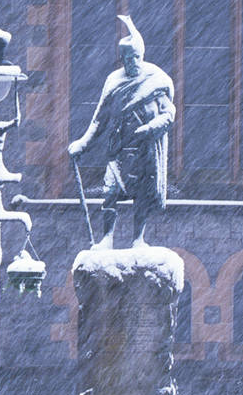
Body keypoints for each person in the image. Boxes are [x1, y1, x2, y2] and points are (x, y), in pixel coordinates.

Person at [68, 15, 175, 249]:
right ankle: (107, 238)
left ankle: (138, 239)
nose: (131, 62)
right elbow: (100, 118)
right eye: (127, 58)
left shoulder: (156, 81)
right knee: (110, 193)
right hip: (118, 149)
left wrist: (150, 128)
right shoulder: (114, 82)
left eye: (135, 57)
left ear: (142, 56)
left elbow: (169, 114)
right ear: (122, 59)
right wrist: (83, 143)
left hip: (144, 149)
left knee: (142, 197)